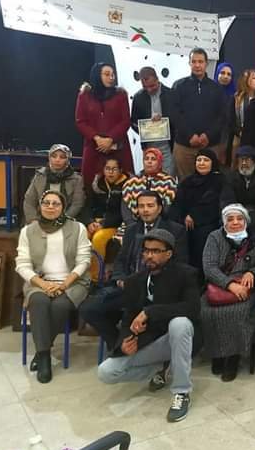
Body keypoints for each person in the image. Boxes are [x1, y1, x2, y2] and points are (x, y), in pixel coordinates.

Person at [97, 229, 202, 423]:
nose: (149, 255)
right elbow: (128, 319)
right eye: (146, 251)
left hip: (181, 339)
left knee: (180, 324)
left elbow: (192, 308)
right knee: (106, 372)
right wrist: (124, 343)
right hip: (151, 342)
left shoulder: (186, 274)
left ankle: (181, 392)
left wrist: (150, 312)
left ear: (168, 254)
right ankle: (162, 369)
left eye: (155, 251)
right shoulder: (134, 281)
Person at [80, 191, 188, 352]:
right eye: (141, 206)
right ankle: (116, 343)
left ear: (159, 208)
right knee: (88, 309)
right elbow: (121, 260)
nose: (145, 210)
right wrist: (120, 278)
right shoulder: (131, 230)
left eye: (150, 206)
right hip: (128, 287)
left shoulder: (175, 230)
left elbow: (180, 264)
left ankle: (134, 346)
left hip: (157, 290)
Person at [15, 190, 91, 383]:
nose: (50, 207)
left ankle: (41, 351)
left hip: (72, 283)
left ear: (63, 207)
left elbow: (84, 261)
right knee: (39, 302)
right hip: (39, 282)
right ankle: (45, 357)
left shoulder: (78, 228)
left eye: (55, 203)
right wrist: (43, 284)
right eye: (46, 203)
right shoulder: (28, 231)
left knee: (60, 305)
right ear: (40, 206)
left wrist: (64, 284)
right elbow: (22, 264)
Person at [201, 204, 255, 382]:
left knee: (239, 312)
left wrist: (252, 272)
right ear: (224, 223)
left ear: (246, 221)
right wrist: (229, 284)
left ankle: (233, 357)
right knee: (206, 311)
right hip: (219, 284)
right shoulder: (214, 237)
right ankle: (217, 354)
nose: (235, 222)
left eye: (239, 219)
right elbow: (209, 268)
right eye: (230, 219)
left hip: (247, 287)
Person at [171, 148, 234, 275]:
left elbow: (215, 203)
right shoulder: (187, 182)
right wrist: (182, 218)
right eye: (199, 160)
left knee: (203, 235)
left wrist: (194, 215)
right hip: (184, 224)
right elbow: (177, 204)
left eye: (206, 160)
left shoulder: (220, 181)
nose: (201, 163)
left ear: (213, 163)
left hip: (210, 223)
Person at [171, 48, 228, 180]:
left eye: (200, 62)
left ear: (206, 63)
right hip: (184, 147)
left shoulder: (217, 88)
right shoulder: (179, 86)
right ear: (189, 63)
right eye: (194, 61)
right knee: (185, 184)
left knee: (210, 184)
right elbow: (174, 114)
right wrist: (190, 135)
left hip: (210, 146)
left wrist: (208, 135)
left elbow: (222, 116)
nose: (197, 65)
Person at [75, 62, 133, 187]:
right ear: (97, 75)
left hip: (117, 146)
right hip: (94, 146)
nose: (111, 77)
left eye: (113, 74)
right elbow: (81, 121)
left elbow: (126, 121)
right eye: (107, 74)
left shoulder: (121, 94)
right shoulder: (85, 95)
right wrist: (97, 138)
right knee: (90, 184)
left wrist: (110, 139)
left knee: (122, 182)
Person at [84, 157, 129, 271]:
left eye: (114, 169)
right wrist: (90, 222)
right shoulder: (97, 184)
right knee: (82, 236)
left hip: (114, 224)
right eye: (107, 169)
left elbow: (122, 212)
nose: (110, 172)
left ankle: (95, 277)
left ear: (120, 170)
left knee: (98, 238)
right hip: (95, 222)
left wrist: (103, 224)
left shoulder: (127, 185)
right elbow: (88, 206)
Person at [23, 144, 85, 223]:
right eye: (54, 156)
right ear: (49, 158)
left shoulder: (76, 179)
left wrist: (62, 220)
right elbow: (29, 201)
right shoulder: (39, 176)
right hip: (40, 219)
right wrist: (33, 220)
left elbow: (77, 204)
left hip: (66, 220)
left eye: (62, 157)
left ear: (68, 160)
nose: (57, 160)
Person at [130, 67, 175, 175]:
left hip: (168, 146)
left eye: (152, 86)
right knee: (150, 178)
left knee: (168, 177)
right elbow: (133, 122)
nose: (149, 89)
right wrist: (145, 128)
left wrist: (164, 120)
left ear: (157, 79)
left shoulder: (171, 94)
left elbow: (178, 119)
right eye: (145, 87)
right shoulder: (138, 97)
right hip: (148, 146)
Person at [121, 147, 177, 226]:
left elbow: (167, 209)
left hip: (161, 224)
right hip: (133, 224)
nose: (149, 161)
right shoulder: (131, 182)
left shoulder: (168, 182)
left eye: (153, 159)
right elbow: (125, 209)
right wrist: (133, 225)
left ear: (159, 162)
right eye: (146, 159)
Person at [227, 145, 255, 230]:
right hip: (236, 216)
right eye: (241, 160)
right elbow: (228, 200)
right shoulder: (231, 178)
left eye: (247, 160)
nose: (244, 163)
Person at [229, 68, 255, 164]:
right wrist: (239, 132)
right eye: (254, 78)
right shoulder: (236, 98)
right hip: (239, 137)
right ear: (246, 80)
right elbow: (231, 119)